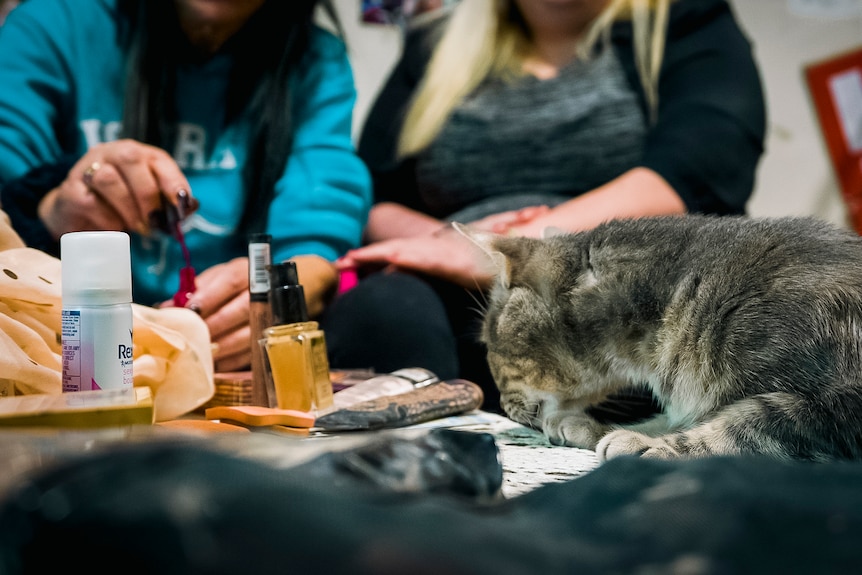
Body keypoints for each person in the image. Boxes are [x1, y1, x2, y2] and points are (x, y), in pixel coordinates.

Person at [321, 0, 766, 413]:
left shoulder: (687, 19)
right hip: (460, 294)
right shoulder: (433, 42)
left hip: (622, 281)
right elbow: (374, 195)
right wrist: (453, 247)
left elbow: (699, 172)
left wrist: (508, 251)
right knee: (380, 309)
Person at [0, 0, 372, 373]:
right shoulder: (50, 26)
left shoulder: (315, 61)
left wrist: (288, 288)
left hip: (226, 372)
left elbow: (317, 240)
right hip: (65, 358)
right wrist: (51, 212)